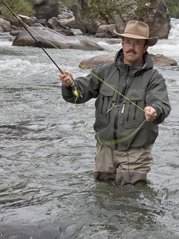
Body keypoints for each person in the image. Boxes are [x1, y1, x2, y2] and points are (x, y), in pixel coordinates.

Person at [59, 20, 171, 186]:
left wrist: (154, 111)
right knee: (102, 196)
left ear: (145, 47)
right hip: (105, 149)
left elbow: (161, 104)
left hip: (136, 151)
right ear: (122, 43)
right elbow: (78, 94)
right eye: (127, 42)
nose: (131, 47)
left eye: (137, 43)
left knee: (129, 201)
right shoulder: (104, 71)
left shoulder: (154, 78)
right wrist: (70, 85)